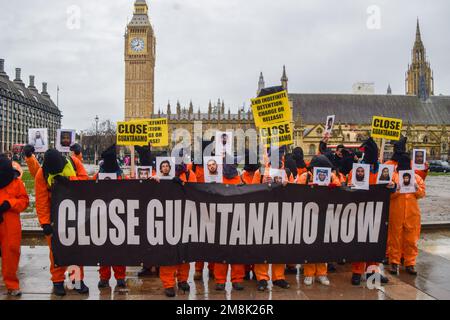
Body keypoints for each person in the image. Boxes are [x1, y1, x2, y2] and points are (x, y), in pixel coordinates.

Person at [34, 149, 90, 296]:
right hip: (54, 217)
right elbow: (41, 200)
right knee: (55, 251)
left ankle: (76, 280)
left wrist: (69, 182)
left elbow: (86, 182)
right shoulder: (42, 174)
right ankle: (57, 281)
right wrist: (45, 223)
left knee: (76, 249)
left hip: (76, 214)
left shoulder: (74, 162)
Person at [347, 138, 393, 286]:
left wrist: (393, 185)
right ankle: (357, 272)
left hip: (378, 212)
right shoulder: (357, 169)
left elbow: (395, 184)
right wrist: (351, 186)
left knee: (375, 243)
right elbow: (348, 185)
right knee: (359, 242)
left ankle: (372, 272)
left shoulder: (383, 169)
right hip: (360, 211)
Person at [297, 155, 339, 286]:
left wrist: (334, 187)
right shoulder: (305, 177)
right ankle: (309, 273)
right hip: (309, 215)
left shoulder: (332, 176)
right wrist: (308, 189)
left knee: (323, 245)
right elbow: (295, 191)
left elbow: (340, 188)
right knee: (310, 244)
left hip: (325, 214)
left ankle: (322, 273)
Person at [156, 159, 196, 298]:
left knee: (184, 251)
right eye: (164, 166)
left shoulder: (189, 175)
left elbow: (196, 191)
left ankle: (183, 280)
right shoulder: (158, 177)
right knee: (168, 253)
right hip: (165, 219)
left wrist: (183, 184)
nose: (166, 167)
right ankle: (168, 284)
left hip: (184, 218)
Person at [93, 145, 127, 289]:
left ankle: (120, 277)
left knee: (119, 250)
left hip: (119, 217)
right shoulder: (97, 176)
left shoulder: (121, 176)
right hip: (102, 217)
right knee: (103, 250)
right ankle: (104, 277)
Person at [388, 153, 426, 276]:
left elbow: (421, 194)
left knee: (411, 239)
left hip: (412, 213)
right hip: (396, 212)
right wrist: (396, 190)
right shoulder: (393, 177)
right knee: (395, 239)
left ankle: (410, 263)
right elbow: (388, 195)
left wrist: (416, 188)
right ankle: (394, 262)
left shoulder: (416, 178)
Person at [213, 159, 246, 291]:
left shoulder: (240, 180)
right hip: (220, 220)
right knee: (220, 253)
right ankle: (220, 280)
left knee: (237, 253)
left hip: (236, 220)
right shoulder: (217, 179)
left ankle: (237, 280)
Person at [0, 155, 29, 296]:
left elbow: (24, 201)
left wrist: (10, 204)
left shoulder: (16, 182)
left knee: (11, 252)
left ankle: (12, 285)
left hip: (10, 223)